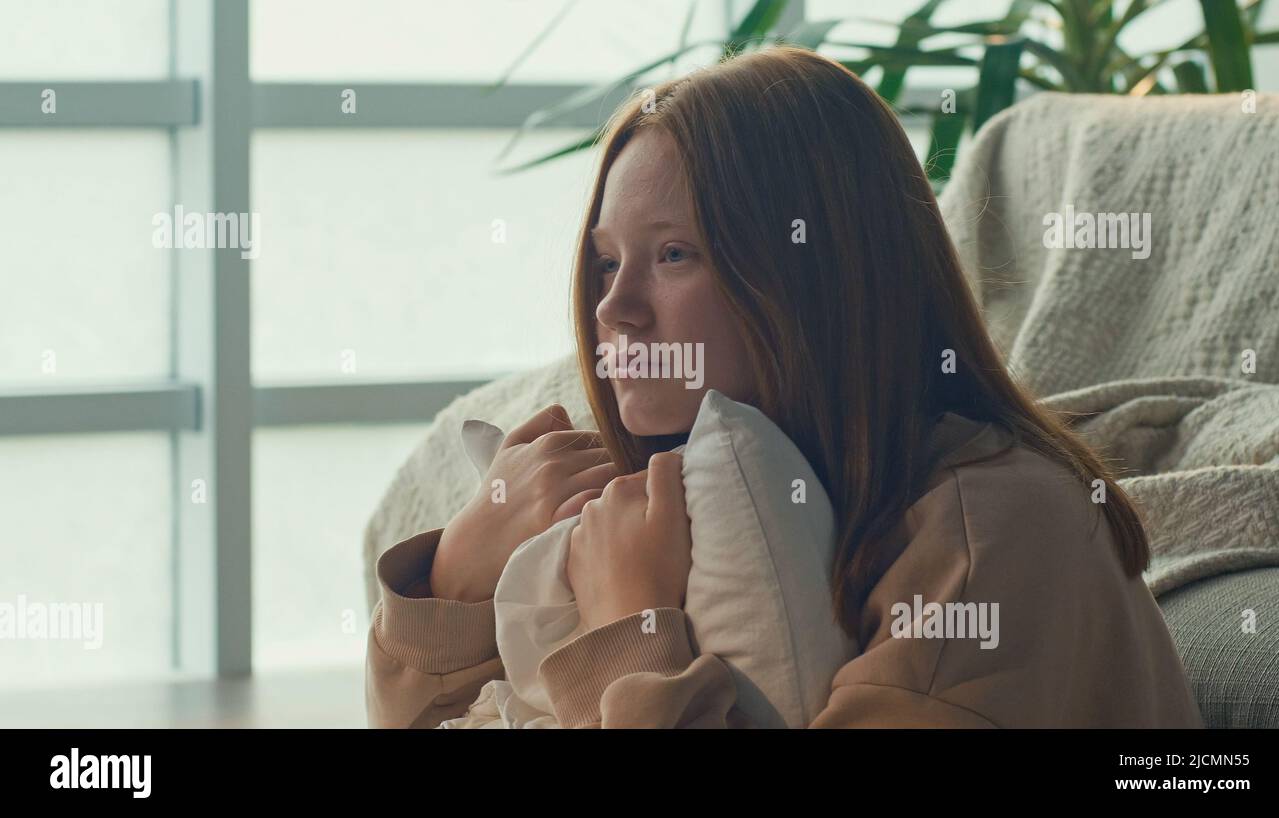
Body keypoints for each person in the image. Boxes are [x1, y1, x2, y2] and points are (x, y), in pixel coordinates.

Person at [365, 45, 1203, 729]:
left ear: (819, 273)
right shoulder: (682, 503)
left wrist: (634, 634)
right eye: (607, 262)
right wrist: (453, 577)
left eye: (673, 255)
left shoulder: (990, 534)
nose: (614, 310)